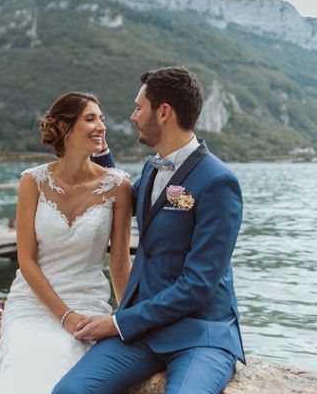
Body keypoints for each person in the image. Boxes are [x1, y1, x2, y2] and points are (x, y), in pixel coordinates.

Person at [54, 67, 244, 394]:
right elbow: (126, 198)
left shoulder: (218, 182)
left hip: (200, 336)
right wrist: (99, 153)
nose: (132, 116)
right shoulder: (152, 168)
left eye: (138, 108)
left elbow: (199, 284)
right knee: (69, 392)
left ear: (164, 112)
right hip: (144, 333)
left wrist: (116, 322)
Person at [0, 92, 133, 393]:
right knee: (18, 365)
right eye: (90, 119)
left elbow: (120, 264)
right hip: (31, 303)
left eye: (102, 118)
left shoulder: (119, 186)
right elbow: (27, 260)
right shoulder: (31, 181)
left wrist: (130, 322)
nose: (101, 126)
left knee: (61, 359)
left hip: (86, 301)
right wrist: (63, 315)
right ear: (64, 128)